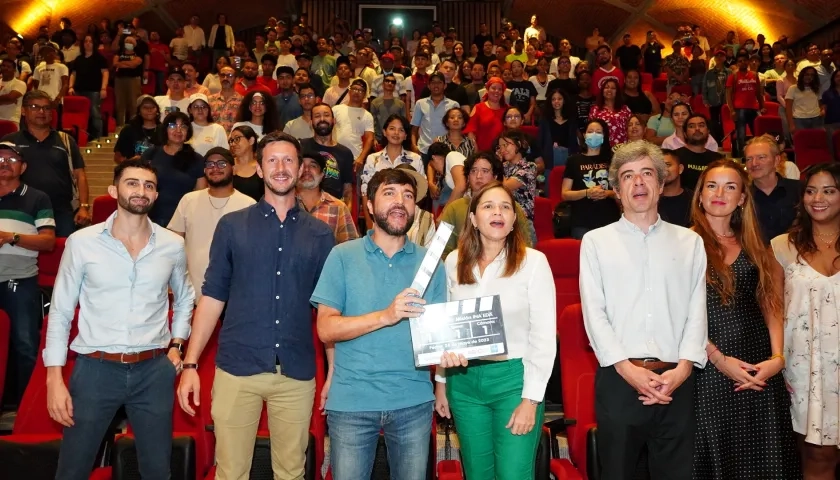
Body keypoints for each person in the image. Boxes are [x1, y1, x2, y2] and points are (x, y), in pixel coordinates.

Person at [178, 132, 334, 480]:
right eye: (272, 160)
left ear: (300, 168)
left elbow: (329, 310)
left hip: (295, 372)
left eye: (289, 160)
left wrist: (334, 371)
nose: (281, 168)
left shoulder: (321, 235)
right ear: (260, 170)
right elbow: (212, 297)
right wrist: (190, 362)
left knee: (291, 473)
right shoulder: (232, 226)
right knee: (230, 473)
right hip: (237, 368)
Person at [45, 159, 195, 480]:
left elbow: (185, 298)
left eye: (148, 185)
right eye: (132, 183)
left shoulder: (173, 244)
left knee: (157, 471)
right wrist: (54, 378)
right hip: (95, 371)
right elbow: (60, 310)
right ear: (114, 190)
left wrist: (177, 345)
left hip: (154, 371)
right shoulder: (81, 242)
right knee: (73, 468)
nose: (141, 191)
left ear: (155, 196)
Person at [580, 140, 707, 480]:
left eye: (646, 173)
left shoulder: (690, 242)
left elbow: (697, 311)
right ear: (617, 191)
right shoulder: (595, 242)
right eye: (627, 176)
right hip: (620, 380)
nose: (638, 183)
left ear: (661, 183)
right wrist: (628, 370)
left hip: (676, 383)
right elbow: (594, 314)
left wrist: (682, 370)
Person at [311, 167, 446, 480]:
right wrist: (386, 315)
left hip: (413, 401)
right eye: (390, 193)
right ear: (369, 205)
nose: (400, 201)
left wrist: (450, 362)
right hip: (352, 401)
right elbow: (326, 329)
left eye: (408, 196)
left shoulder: (430, 263)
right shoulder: (342, 255)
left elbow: (440, 337)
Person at [436, 181, 556, 479]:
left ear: (514, 219)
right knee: (477, 474)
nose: (497, 212)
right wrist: (441, 381)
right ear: (474, 218)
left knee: (514, 474)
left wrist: (531, 400)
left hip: (513, 382)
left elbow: (543, 336)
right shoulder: (453, 262)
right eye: (488, 206)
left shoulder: (534, 262)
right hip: (463, 383)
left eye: (505, 206)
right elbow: (446, 327)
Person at [690, 158, 800, 479]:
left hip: (759, 368)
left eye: (730, 186)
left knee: (765, 462)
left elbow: (772, 304)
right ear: (700, 195)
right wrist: (719, 359)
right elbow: (678, 313)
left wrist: (777, 359)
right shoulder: (683, 243)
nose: (719, 193)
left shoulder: (755, 245)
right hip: (706, 369)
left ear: (742, 198)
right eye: (711, 185)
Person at [772, 163, 840, 480]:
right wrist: (777, 358)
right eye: (811, 190)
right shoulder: (782, 246)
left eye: (829, 190)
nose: (818, 198)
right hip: (806, 370)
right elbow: (772, 309)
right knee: (816, 456)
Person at [0, 141, 55, 405]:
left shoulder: (37, 197)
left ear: (23, 166)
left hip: (19, 279)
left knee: (25, 344)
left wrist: (12, 237)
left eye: (11, 160)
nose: (4, 164)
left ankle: (26, 407)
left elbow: (48, 242)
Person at [167, 147, 255, 303]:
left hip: (235, 298)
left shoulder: (249, 205)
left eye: (221, 163)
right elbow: (172, 245)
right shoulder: (189, 200)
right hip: (191, 294)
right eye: (210, 164)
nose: (215, 168)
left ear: (233, 169)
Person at [2, 90, 91, 237]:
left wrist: (83, 207)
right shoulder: (10, 141)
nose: (41, 112)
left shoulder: (65, 140)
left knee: (63, 256)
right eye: (35, 107)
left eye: (46, 108)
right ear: (24, 111)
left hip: (61, 212)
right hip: (20, 210)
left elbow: (80, 175)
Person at [439, 152, 532, 258]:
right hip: (462, 268)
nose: (478, 176)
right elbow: (439, 250)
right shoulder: (454, 208)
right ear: (468, 177)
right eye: (473, 171)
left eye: (485, 171)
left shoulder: (511, 208)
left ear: (495, 177)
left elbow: (525, 248)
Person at [140, 111, 206, 226]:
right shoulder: (151, 154)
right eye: (173, 126)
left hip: (184, 222)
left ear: (188, 132)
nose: (178, 130)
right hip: (151, 220)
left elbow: (200, 195)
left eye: (183, 126)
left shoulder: (197, 159)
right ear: (165, 129)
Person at [361, 114, 424, 229]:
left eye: (401, 130)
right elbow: (366, 192)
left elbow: (420, 193)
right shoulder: (373, 159)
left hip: (406, 218)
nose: (396, 133)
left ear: (405, 135)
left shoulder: (415, 159)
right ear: (384, 132)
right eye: (392, 128)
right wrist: (369, 222)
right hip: (379, 218)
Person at [561, 119, 620, 239]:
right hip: (582, 221)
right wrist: (587, 192)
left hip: (609, 219)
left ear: (604, 136)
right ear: (584, 135)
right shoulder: (573, 160)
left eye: (598, 132)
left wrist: (607, 193)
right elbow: (565, 194)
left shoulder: (613, 159)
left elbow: (621, 192)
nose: (594, 135)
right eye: (590, 131)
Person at [744, 134, 802, 244]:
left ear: (776, 160)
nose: (754, 163)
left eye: (761, 157)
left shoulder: (800, 190)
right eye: (749, 159)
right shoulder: (742, 196)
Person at [296, 150, 358, 244]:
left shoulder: (338, 207)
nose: (306, 169)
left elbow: (350, 248)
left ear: (322, 174)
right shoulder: (284, 204)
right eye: (302, 166)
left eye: (313, 166)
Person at [300, 103, 355, 205]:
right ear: (311, 122)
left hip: (333, 211)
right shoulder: (300, 147)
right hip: (303, 209)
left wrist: (344, 217)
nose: (322, 119)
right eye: (317, 116)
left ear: (334, 120)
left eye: (326, 115)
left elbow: (347, 191)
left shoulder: (345, 153)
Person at [674, 113, 724, 191]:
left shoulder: (718, 159)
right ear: (685, 134)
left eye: (701, 125)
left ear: (708, 131)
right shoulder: (675, 157)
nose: (697, 129)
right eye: (691, 126)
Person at [113, 95, 160, 163]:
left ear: (157, 110)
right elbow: (117, 157)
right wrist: (131, 162)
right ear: (139, 111)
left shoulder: (163, 130)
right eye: (145, 107)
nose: (149, 110)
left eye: (152, 107)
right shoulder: (128, 130)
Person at [227, 125, 263, 202]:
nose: (233, 144)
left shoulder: (262, 166)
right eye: (231, 141)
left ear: (251, 140)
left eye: (237, 139)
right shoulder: (228, 164)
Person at [658, 149, 692, 228]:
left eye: (668, 164)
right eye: (659, 166)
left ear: (680, 169)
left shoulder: (694, 200)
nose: (663, 170)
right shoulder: (649, 200)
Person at [426, 141, 466, 207]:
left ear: (434, 157)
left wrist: (445, 212)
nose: (437, 171)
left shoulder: (452, 155)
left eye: (433, 165)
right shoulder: (447, 176)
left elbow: (461, 186)